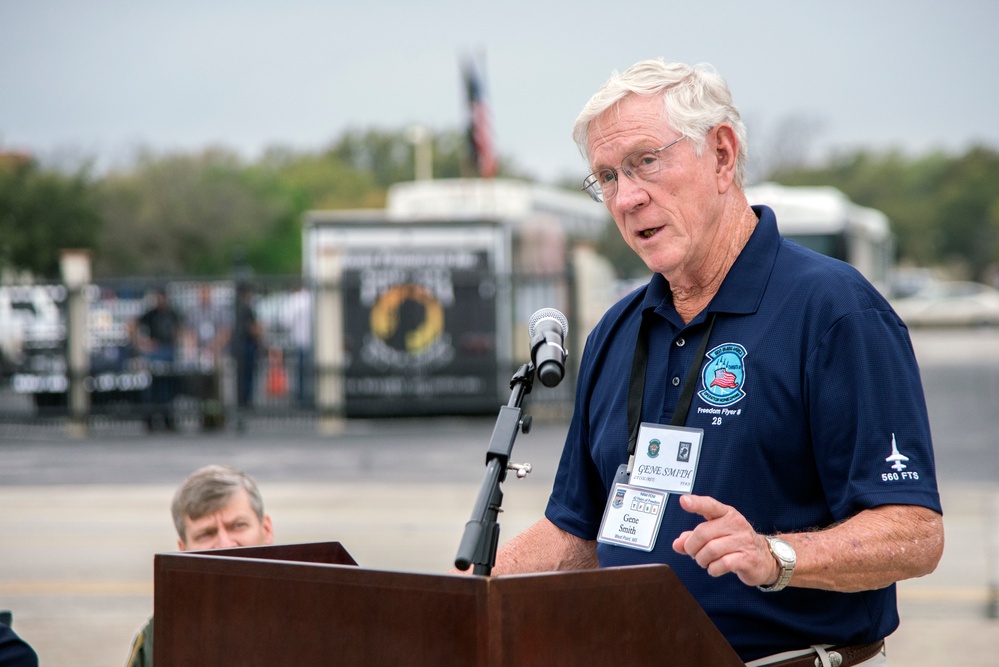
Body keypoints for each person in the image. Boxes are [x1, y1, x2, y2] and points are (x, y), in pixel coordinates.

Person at [488, 59, 944, 666]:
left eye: (646, 162)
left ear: (723, 155)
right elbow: (578, 531)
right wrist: (461, 590)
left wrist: (776, 557)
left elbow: (913, 532)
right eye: (606, 177)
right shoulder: (615, 334)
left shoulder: (834, 312)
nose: (627, 198)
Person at [125, 464, 274, 667]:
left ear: (266, 529)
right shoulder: (160, 636)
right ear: (184, 549)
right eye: (206, 533)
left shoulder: (315, 613)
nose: (224, 544)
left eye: (238, 525)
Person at [129, 288, 185, 431]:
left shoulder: (172, 313)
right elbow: (132, 324)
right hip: (156, 351)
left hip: (168, 350)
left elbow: (180, 330)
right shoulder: (152, 313)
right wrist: (142, 343)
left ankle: (168, 417)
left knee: (168, 385)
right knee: (153, 385)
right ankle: (151, 418)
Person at [185, 283, 232, 430]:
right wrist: (195, 350)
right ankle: (205, 418)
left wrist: (214, 347)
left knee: (218, 388)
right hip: (201, 354)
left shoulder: (219, 311)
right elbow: (189, 333)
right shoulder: (193, 312)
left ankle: (219, 418)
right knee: (202, 388)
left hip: (218, 353)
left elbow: (226, 331)